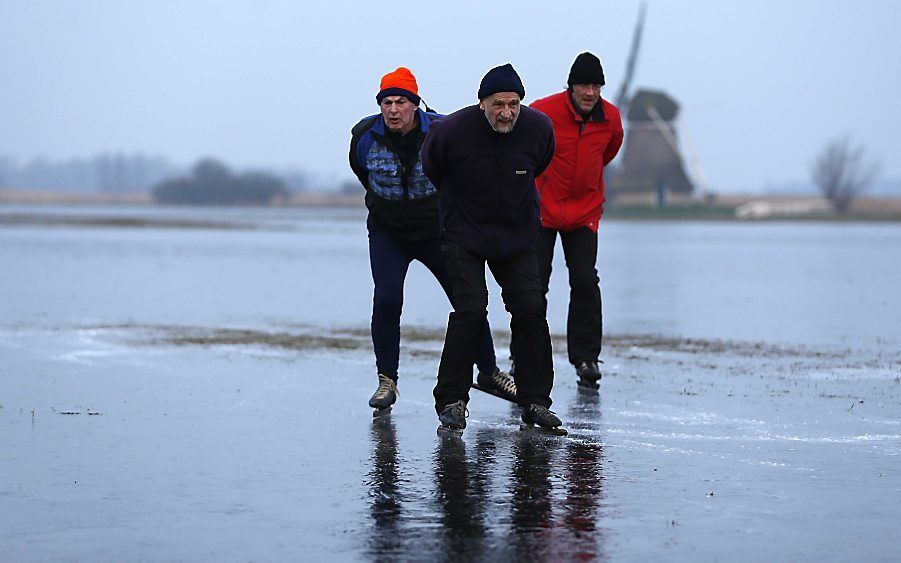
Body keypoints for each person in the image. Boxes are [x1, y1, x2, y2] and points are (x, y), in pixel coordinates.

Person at [349, 67, 516, 414]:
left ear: (416, 104)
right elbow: (362, 172)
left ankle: (489, 372)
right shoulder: (365, 135)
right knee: (387, 298)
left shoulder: (442, 130)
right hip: (388, 231)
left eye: (401, 102)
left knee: (467, 301)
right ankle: (386, 380)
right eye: (387, 102)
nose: (393, 109)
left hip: (437, 230)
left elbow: (463, 169)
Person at [422, 63, 566, 435]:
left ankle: (535, 401)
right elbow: (432, 166)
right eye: (498, 104)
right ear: (482, 103)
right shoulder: (451, 130)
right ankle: (452, 401)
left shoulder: (538, 129)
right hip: (464, 233)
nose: (506, 113)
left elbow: (541, 162)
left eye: (514, 104)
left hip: (517, 234)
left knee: (531, 310)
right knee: (471, 311)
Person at [529, 52, 623, 391]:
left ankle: (586, 359)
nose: (590, 92)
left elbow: (609, 152)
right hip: (542, 210)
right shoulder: (544, 110)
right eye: (584, 85)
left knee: (585, 281)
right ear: (571, 86)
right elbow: (524, 141)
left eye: (596, 85)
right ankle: (523, 354)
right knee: (534, 284)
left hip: (584, 212)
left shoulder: (610, 118)